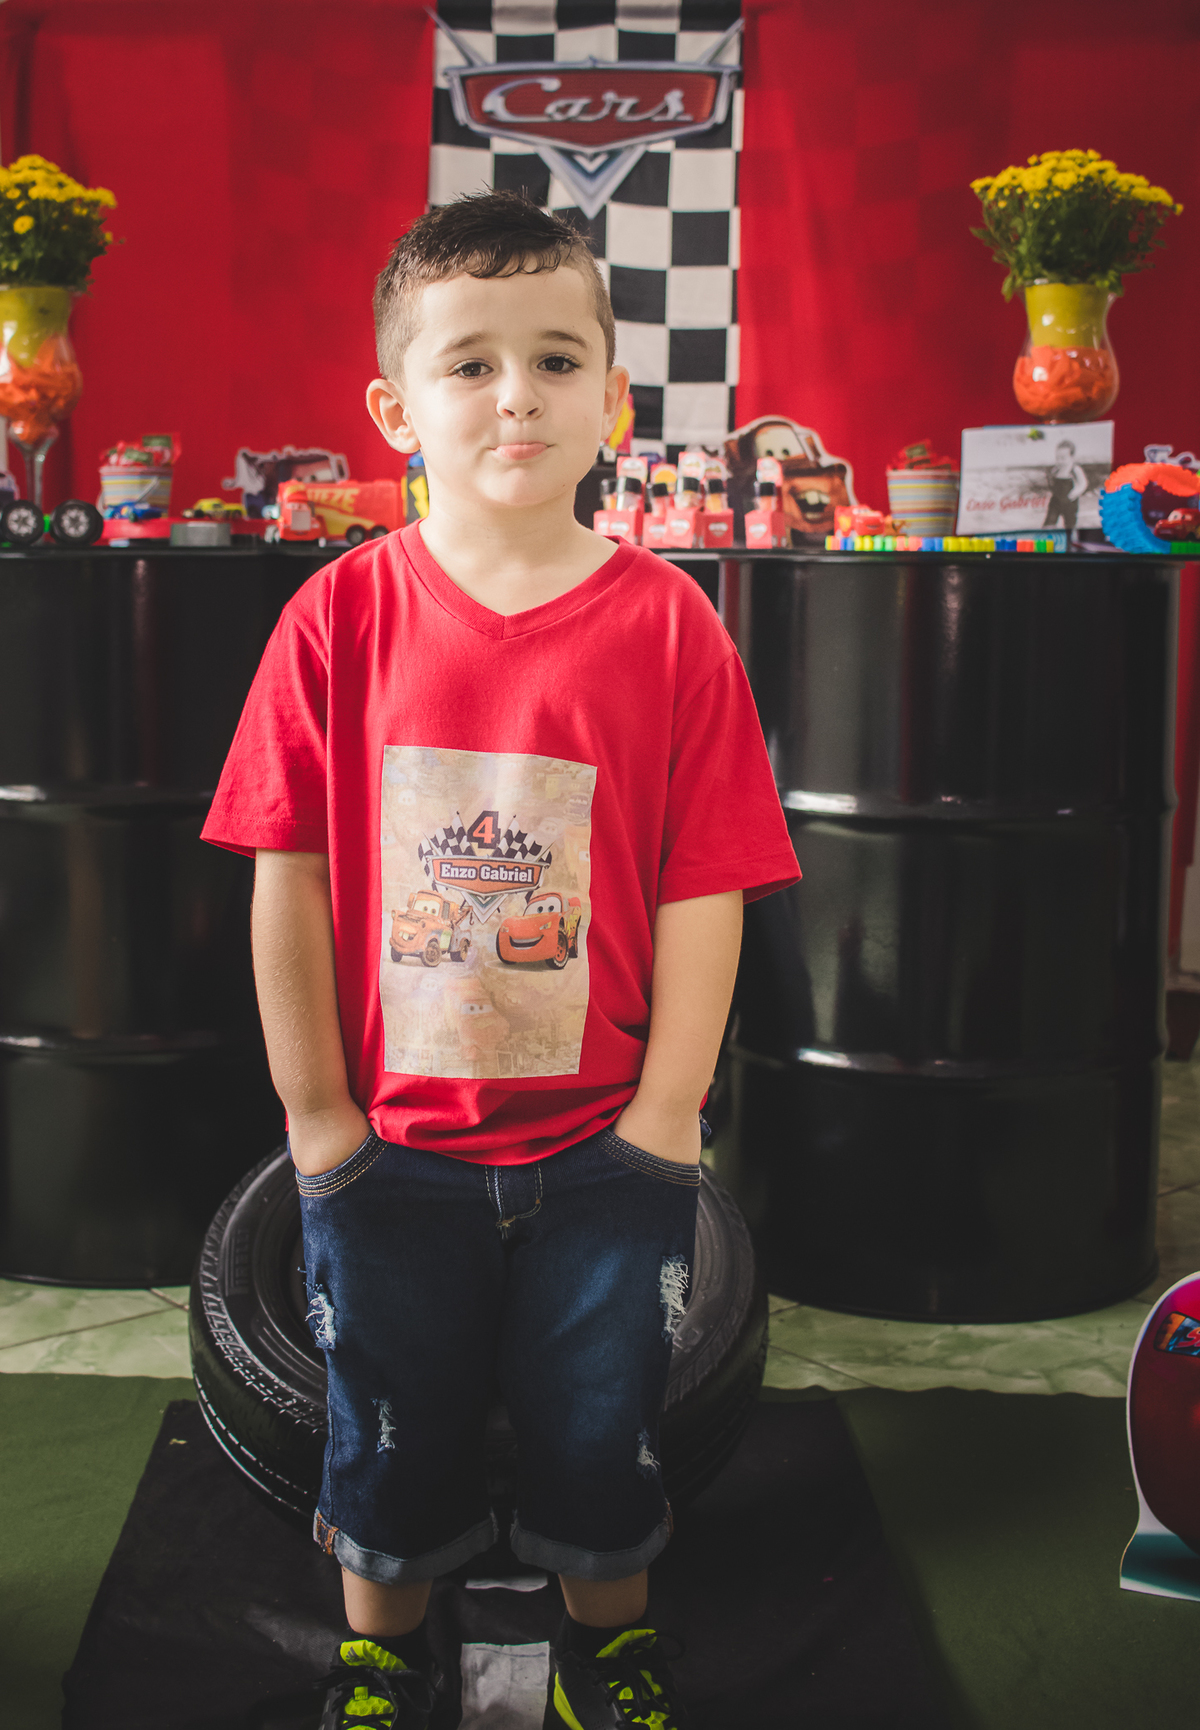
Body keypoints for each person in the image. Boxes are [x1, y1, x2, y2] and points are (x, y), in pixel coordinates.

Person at [202, 190, 799, 1730]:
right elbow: (287, 877)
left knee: (604, 1423)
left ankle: (608, 1649)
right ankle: (383, 1653)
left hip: (607, 1151)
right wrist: (316, 1113)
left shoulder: (672, 628)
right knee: (386, 1427)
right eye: (470, 364)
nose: (516, 394)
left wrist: (667, 1114)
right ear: (397, 408)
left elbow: (709, 887)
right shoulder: (336, 620)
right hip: (391, 1150)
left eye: (554, 359)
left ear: (614, 399)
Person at [1043, 437, 1088, 529]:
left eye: (1063, 458)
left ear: (1072, 457)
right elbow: (1052, 481)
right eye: (1057, 458)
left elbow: (1083, 483)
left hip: (1069, 501)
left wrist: (1076, 492)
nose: (1059, 461)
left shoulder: (1074, 469)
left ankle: (1069, 536)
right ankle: (1047, 534)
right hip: (1055, 501)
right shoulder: (1056, 469)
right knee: (1049, 522)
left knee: (1070, 524)